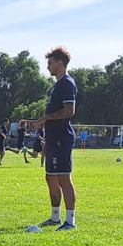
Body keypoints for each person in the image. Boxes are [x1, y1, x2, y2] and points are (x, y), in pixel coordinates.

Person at [33, 47, 78, 230]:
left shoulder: (67, 83)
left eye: (50, 63)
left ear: (60, 63)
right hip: (52, 138)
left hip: (62, 138)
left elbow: (69, 111)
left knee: (63, 179)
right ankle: (54, 217)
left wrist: (47, 118)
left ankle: (70, 221)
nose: (48, 67)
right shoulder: (57, 86)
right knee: (50, 178)